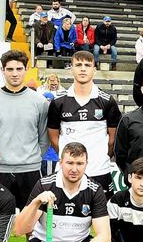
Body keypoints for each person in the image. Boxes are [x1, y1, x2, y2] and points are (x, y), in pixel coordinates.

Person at [0, 50, 50, 210]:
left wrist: (31, 159)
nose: (15, 74)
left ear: (26, 69)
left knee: (32, 223)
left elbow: (44, 138)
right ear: (2, 70)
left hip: (30, 170)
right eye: (10, 69)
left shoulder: (40, 102)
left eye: (19, 69)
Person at [48, 51, 123, 195]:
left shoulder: (107, 101)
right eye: (78, 65)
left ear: (94, 70)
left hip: (99, 170)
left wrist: (101, 157)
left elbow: (113, 139)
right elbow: (53, 137)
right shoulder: (58, 102)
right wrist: (68, 157)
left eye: (87, 65)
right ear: (71, 69)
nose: (83, 69)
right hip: (67, 172)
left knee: (101, 215)